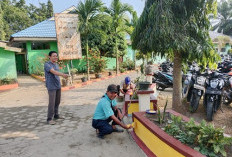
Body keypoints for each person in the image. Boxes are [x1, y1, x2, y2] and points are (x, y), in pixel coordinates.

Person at [44, 51, 69, 125]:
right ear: (50, 57)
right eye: (54, 56)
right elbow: (53, 72)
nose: (55, 57)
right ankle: (49, 119)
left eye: (56, 56)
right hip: (51, 86)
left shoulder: (56, 64)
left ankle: (56, 115)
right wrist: (63, 74)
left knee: (57, 101)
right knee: (52, 103)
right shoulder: (47, 64)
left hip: (57, 85)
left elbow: (56, 74)